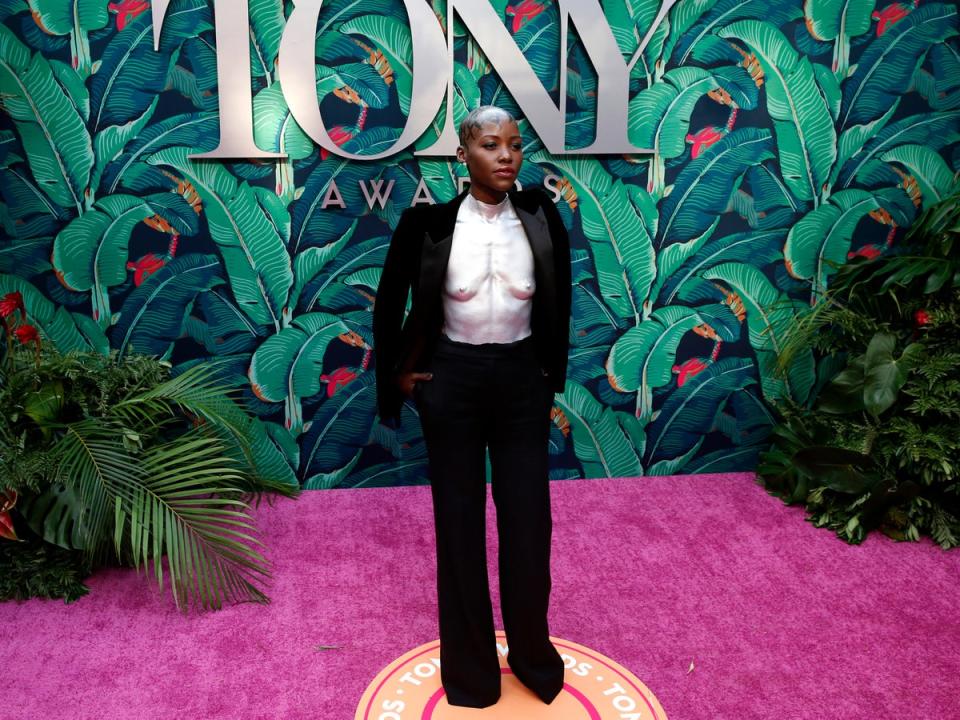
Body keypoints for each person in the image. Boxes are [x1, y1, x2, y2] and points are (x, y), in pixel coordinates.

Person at [373, 106, 572, 709]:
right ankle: (470, 673)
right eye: (491, 145)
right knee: (458, 527)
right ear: (464, 155)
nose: (507, 156)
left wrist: (544, 376)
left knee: (528, 523)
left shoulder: (541, 217)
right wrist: (404, 376)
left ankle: (534, 659)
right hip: (452, 381)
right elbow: (388, 306)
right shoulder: (427, 226)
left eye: (514, 144)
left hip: (518, 383)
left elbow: (560, 300)